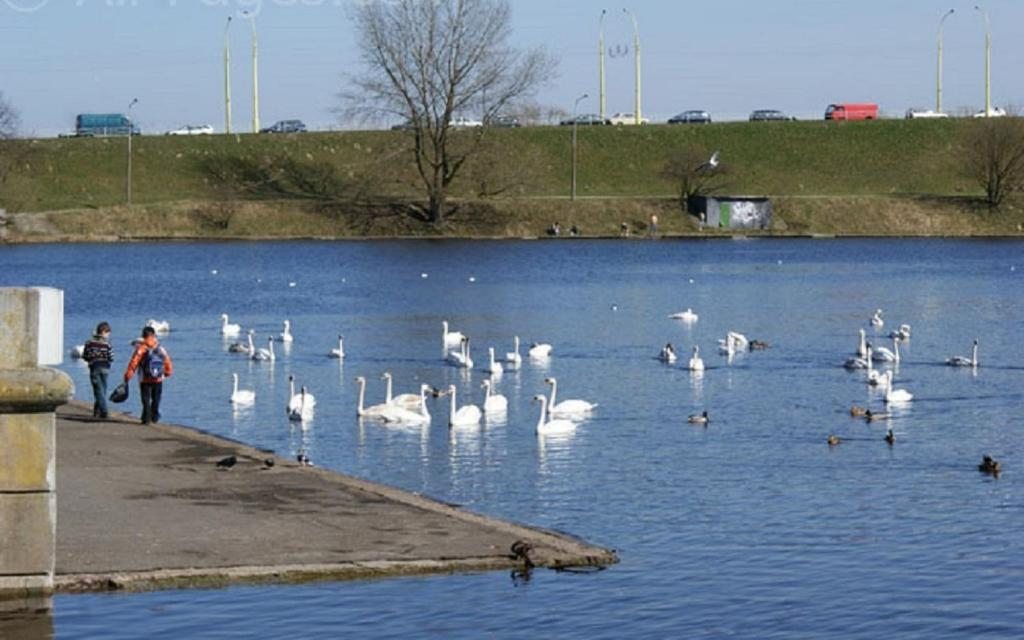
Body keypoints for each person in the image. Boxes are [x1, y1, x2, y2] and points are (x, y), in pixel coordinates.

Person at [123, 326, 173, 425]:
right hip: (158, 378)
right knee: (156, 398)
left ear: (143, 336)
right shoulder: (159, 348)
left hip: (144, 379)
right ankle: (154, 415)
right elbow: (167, 360)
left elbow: (134, 363)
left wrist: (128, 375)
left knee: (145, 399)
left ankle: (146, 418)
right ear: (154, 335)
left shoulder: (141, 349)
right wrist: (168, 372)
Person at [82, 322, 113, 419]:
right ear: (104, 332)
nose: (109, 335)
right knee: (102, 390)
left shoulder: (89, 343)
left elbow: (85, 355)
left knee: (98, 390)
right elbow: (111, 357)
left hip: (94, 367)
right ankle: (102, 411)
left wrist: (90, 359)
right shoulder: (107, 344)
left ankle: (100, 411)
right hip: (105, 367)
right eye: (108, 333)